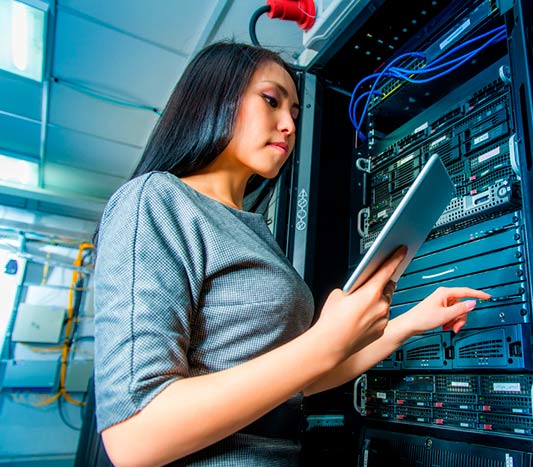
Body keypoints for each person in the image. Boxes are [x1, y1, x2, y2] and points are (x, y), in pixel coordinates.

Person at [93, 41, 491, 467]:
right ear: (213, 99)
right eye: (271, 101)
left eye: (296, 115)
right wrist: (323, 340)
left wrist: (407, 324)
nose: (287, 125)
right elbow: (134, 437)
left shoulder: (253, 228)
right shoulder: (155, 201)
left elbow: (295, 381)